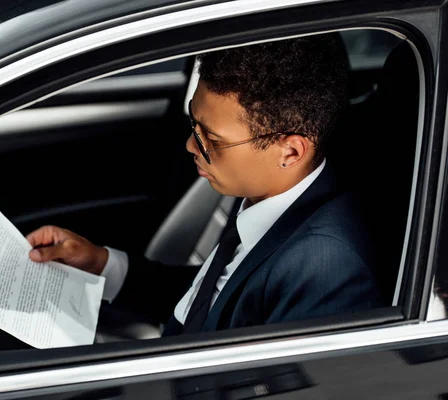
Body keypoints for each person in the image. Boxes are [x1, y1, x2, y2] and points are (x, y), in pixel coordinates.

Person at [26, 33, 383, 336]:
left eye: (210, 139)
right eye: (193, 126)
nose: (191, 146)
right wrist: (102, 264)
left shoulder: (324, 270)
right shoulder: (264, 192)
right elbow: (212, 298)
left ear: (290, 151)